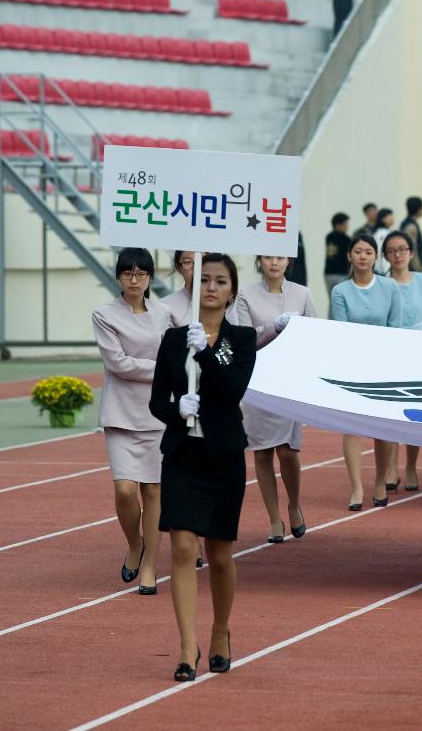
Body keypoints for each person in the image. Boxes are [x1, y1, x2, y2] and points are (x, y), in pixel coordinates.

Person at [149, 253, 256, 682]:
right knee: (180, 546)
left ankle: (219, 632)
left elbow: (231, 391)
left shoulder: (241, 339)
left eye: (220, 281)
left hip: (223, 457)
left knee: (220, 553)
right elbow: (157, 399)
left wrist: (207, 353)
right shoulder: (173, 340)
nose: (210, 287)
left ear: (231, 292)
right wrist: (177, 409)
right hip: (182, 457)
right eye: (205, 279)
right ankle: (186, 646)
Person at [92, 248, 174, 595]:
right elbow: (118, 363)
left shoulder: (164, 312)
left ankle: (151, 567)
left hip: (157, 411)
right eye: (128, 273)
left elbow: (179, 351)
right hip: (121, 413)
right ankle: (134, 543)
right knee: (126, 489)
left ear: (151, 278)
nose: (135, 280)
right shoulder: (104, 314)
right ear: (119, 276)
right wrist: (163, 370)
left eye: (141, 274)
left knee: (153, 490)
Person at [235, 255, 316, 544]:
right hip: (258, 377)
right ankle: (273, 518)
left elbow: (313, 336)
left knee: (287, 450)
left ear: (288, 261)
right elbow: (244, 338)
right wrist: (274, 326)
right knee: (262, 451)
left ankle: (294, 504)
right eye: (268, 257)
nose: (274, 263)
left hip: (289, 379)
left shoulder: (302, 293)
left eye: (280, 257)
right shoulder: (245, 295)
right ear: (258, 260)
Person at [331, 235, 403, 508]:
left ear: (376, 257)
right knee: (351, 428)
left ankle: (380, 482)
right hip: (353, 367)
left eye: (368, 252)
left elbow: (395, 330)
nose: (363, 256)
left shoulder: (390, 287)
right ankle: (357, 488)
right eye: (358, 251)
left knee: (381, 429)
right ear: (349, 256)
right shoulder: (341, 291)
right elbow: (343, 331)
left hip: (384, 367)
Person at [384, 230, 422, 491]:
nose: (398, 255)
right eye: (392, 251)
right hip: (391, 354)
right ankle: (390, 468)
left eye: (402, 249)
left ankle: (411, 466)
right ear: (385, 256)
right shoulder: (382, 283)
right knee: (390, 414)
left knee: (412, 415)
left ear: (411, 253)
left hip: (418, 352)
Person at [324, 212, 352, 299]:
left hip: (328, 273)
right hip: (341, 273)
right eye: (345, 224)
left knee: (332, 300)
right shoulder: (346, 239)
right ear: (337, 225)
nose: (347, 226)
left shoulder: (329, 237)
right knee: (341, 300)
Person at [399, 196, 422, 272]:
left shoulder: (407, 223)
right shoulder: (411, 227)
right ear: (419, 209)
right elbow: (412, 249)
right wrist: (418, 269)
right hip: (411, 269)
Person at [371, 207, 395, 274]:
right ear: (383, 219)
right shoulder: (382, 234)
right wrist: (385, 271)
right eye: (390, 216)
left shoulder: (386, 232)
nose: (392, 219)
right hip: (384, 271)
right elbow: (381, 252)